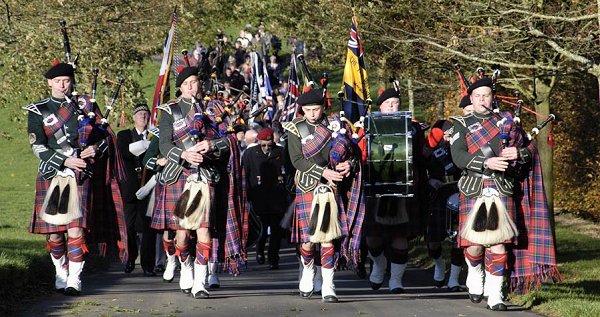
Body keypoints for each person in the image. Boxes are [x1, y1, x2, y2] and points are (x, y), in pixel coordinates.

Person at [25, 61, 126, 295]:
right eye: (58, 81)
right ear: (49, 82)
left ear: (72, 82)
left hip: (81, 174)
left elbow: (106, 137)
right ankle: (60, 272)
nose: (63, 85)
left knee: (76, 229)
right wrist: (64, 160)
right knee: (54, 232)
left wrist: (95, 150)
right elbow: (38, 146)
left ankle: (74, 279)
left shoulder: (86, 106)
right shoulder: (38, 110)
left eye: (67, 81)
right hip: (53, 173)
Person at [154, 66, 247, 299]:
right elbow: (164, 144)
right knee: (183, 235)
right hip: (180, 175)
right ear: (180, 87)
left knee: (204, 230)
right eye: (187, 84)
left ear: (200, 84)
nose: (192, 87)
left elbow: (230, 139)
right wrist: (183, 155)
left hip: (205, 176)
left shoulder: (214, 108)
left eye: (195, 82)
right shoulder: (169, 110)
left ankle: (200, 282)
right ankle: (185, 265)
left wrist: (212, 145)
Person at [282, 88, 364, 303]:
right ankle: (308, 269)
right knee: (309, 240)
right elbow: (296, 160)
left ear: (323, 107)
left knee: (327, 237)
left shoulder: (337, 126)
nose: (311, 114)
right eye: (307, 110)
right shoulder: (295, 128)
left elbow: (354, 153)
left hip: (331, 187)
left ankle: (329, 285)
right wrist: (322, 171)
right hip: (308, 186)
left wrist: (350, 164)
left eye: (316, 109)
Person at [449, 77, 524, 311]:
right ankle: (474, 270)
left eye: (486, 95)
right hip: (474, 187)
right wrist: (486, 161)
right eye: (477, 96)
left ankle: (495, 294)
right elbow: (458, 156)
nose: (482, 100)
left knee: (499, 244)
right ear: (471, 99)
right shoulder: (460, 123)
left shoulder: (507, 121)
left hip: (501, 187)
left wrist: (518, 153)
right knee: (475, 246)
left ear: (493, 98)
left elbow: (527, 150)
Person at [364, 88, 426, 294]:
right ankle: (380, 265)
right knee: (372, 236)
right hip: (375, 186)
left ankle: (396, 280)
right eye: (387, 103)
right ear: (379, 106)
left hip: (403, 186)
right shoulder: (368, 125)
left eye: (395, 103)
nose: (392, 106)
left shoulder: (413, 127)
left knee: (400, 235)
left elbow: (419, 157)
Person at [423, 119, 463, 291]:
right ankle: (439, 264)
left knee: (459, 239)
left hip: (458, 190)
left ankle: (454, 279)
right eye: (445, 134)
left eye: (450, 134)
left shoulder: (461, 146)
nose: (448, 137)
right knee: (433, 239)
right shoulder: (430, 149)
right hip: (437, 193)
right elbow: (418, 168)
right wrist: (429, 180)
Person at [117, 104, 157, 276]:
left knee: (148, 228)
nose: (143, 116)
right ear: (133, 117)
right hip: (129, 188)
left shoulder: (155, 135)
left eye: (145, 114)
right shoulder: (125, 135)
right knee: (129, 226)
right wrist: (146, 144)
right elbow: (125, 153)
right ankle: (130, 259)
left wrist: (152, 143)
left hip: (148, 187)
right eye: (139, 113)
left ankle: (148, 265)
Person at [242, 128, 288, 269]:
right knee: (261, 229)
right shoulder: (250, 153)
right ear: (259, 142)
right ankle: (260, 250)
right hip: (258, 197)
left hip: (277, 198)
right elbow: (245, 175)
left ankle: (273, 259)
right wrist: (246, 195)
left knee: (276, 231)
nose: (267, 148)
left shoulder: (281, 152)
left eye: (269, 145)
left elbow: (287, 174)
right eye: (264, 145)